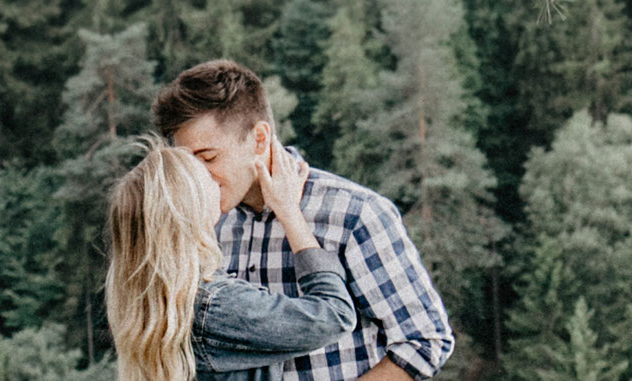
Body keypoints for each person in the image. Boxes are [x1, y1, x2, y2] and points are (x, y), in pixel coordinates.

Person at [154, 60, 453, 381]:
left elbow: (424, 341)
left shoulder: (355, 214)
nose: (198, 177)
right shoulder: (205, 226)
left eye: (208, 158)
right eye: (187, 163)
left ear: (259, 139)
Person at [108, 138, 357, 381]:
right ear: (190, 205)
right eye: (203, 172)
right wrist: (290, 212)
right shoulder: (214, 306)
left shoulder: (151, 299)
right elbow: (335, 315)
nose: (214, 178)